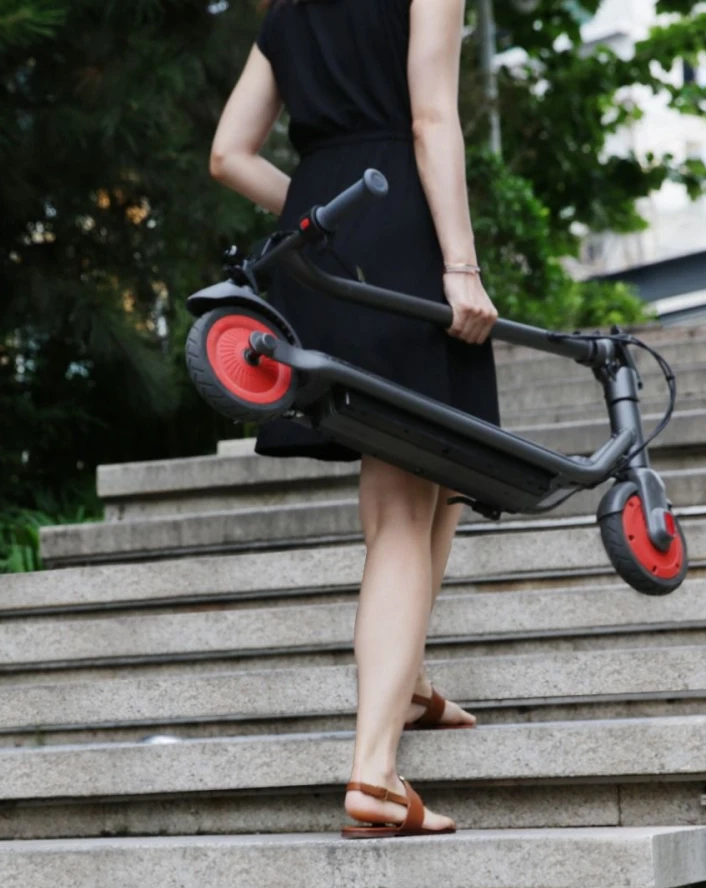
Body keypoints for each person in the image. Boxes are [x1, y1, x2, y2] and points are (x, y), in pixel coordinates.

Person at [209, 0, 499, 838]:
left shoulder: (288, 8)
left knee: (442, 467)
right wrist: (460, 266)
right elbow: (430, 115)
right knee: (403, 508)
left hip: (325, 246)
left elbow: (229, 155)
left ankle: (403, 682)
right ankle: (374, 772)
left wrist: (315, 214)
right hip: (404, 233)